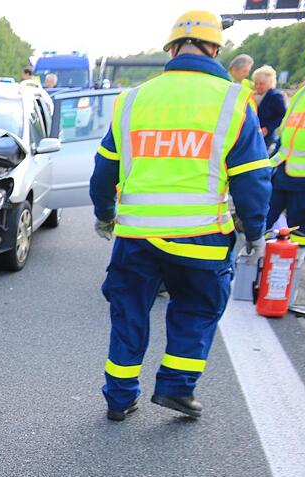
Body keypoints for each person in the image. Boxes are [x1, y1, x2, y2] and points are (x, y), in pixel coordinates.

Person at [89, 10, 271, 421]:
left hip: (136, 239)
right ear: (215, 49)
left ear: (171, 48)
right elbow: (252, 179)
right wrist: (255, 232)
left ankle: (119, 398)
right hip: (203, 238)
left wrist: (104, 214)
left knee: (129, 313)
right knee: (197, 309)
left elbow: (104, 169)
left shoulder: (133, 99)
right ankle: (176, 387)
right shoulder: (233, 101)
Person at [267, 39, 305, 250]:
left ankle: (293, 272)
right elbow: (286, 131)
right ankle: (256, 271)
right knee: (264, 219)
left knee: (299, 231)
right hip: (282, 172)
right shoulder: (303, 92)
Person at [252, 64, 286, 147]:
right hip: (252, 135)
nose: (258, 86)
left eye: (261, 84)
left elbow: (282, 116)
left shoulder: (275, 96)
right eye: (256, 83)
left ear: (270, 82)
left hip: (266, 138)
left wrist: (267, 129)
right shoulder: (251, 95)